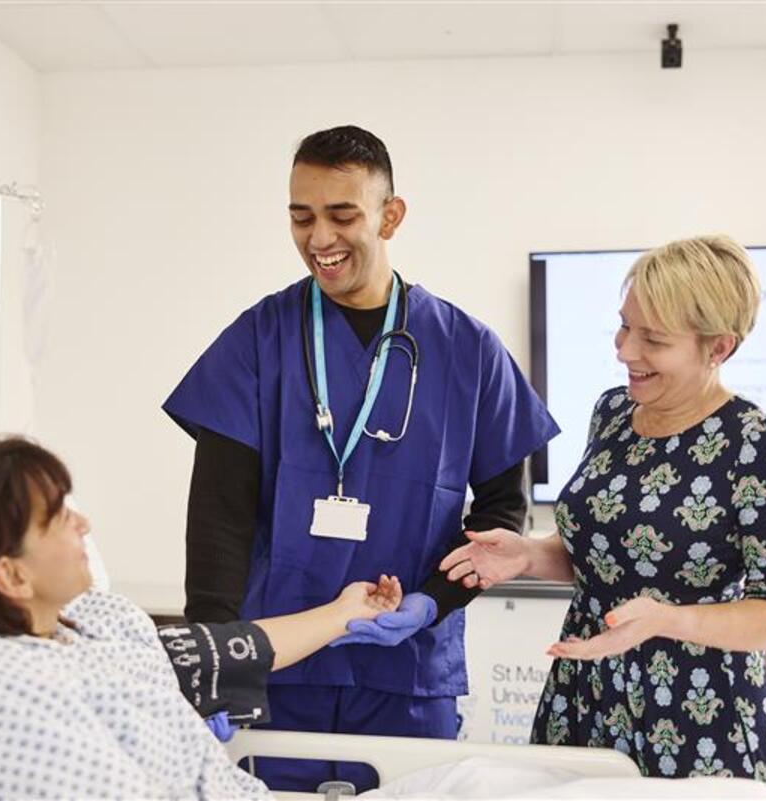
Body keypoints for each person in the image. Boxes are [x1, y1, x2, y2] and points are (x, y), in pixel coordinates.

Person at [163, 125, 559, 792]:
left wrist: (432, 602)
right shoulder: (258, 339)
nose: (319, 238)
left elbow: (501, 514)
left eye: (342, 215)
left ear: (390, 214)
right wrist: (216, 660)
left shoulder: (469, 350)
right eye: (301, 216)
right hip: (278, 659)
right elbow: (218, 517)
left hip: (407, 672)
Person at [440, 235, 766, 800]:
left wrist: (669, 619)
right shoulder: (615, 414)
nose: (625, 351)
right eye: (624, 327)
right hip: (584, 700)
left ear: (718, 347)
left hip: (699, 720)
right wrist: (528, 554)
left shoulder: (762, 447)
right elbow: (605, 557)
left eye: (654, 340)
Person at [0, 437, 403, 801]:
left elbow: (220, 653)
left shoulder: (78, 626)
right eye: (60, 518)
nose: (84, 525)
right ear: (12, 577)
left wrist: (344, 613)